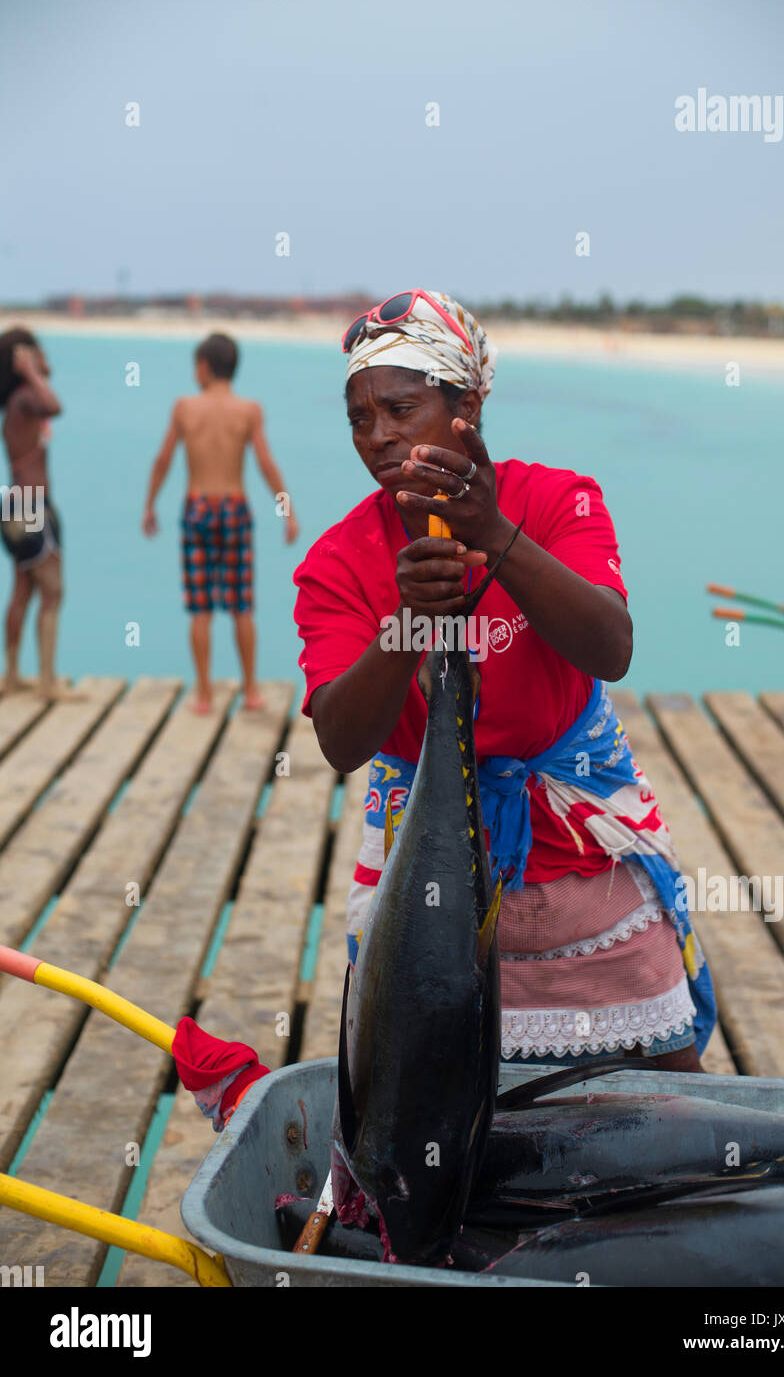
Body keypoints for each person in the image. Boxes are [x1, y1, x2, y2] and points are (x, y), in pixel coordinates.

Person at [293, 290, 716, 1072]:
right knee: (438, 1126)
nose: (379, 436)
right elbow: (343, 744)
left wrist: (495, 534)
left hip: (582, 872)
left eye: (401, 408)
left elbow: (610, 647)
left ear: (470, 405)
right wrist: (407, 625)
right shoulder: (338, 561)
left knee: (664, 1099)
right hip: (429, 900)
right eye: (360, 419)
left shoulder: (558, 501)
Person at [143, 332, 299, 714]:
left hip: (197, 507)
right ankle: (250, 691)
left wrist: (150, 505)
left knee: (201, 609)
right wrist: (287, 511)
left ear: (204, 366)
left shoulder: (184, 407)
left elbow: (163, 459)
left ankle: (204, 694)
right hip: (234, 508)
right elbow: (266, 464)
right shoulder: (248, 410)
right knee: (241, 606)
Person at [0, 327, 75, 700]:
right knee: (53, 590)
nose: (47, 356)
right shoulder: (27, 396)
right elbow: (55, 406)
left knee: (24, 588)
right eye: (39, 350)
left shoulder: (16, 401)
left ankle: (12, 675)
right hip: (32, 503)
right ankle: (47, 682)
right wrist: (31, 372)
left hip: (18, 502)